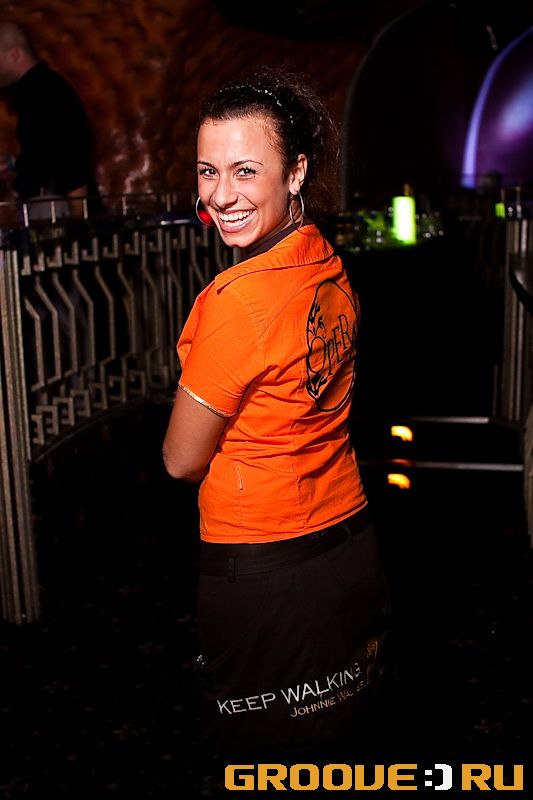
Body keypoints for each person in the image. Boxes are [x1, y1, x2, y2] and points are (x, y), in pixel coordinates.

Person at [163, 66, 391, 759]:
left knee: (268, 758)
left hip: (266, 564)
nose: (220, 195)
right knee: (336, 742)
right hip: (346, 543)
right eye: (208, 171)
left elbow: (180, 460)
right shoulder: (324, 259)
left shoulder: (240, 300)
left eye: (245, 171)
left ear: (295, 173)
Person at [0, 21, 100, 220]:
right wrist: (12, 163)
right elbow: (46, 156)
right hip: (50, 206)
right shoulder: (37, 93)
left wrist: (78, 225)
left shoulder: (47, 94)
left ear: (14, 54)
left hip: (54, 208)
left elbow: (72, 164)